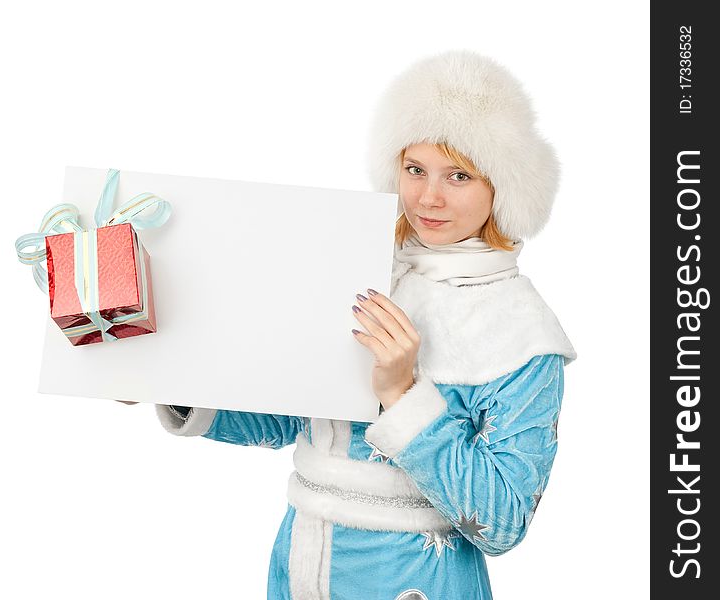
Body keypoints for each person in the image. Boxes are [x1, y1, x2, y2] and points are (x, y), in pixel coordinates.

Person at [129, 50, 577, 600]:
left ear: (501, 187)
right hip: (299, 564)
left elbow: (503, 520)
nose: (428, 197)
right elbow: (281, 420)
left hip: (416, 584)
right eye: (415, 169)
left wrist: (403, 395)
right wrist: (164, 379)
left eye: (458, 175)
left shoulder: (523, 333)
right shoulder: (356, 268)